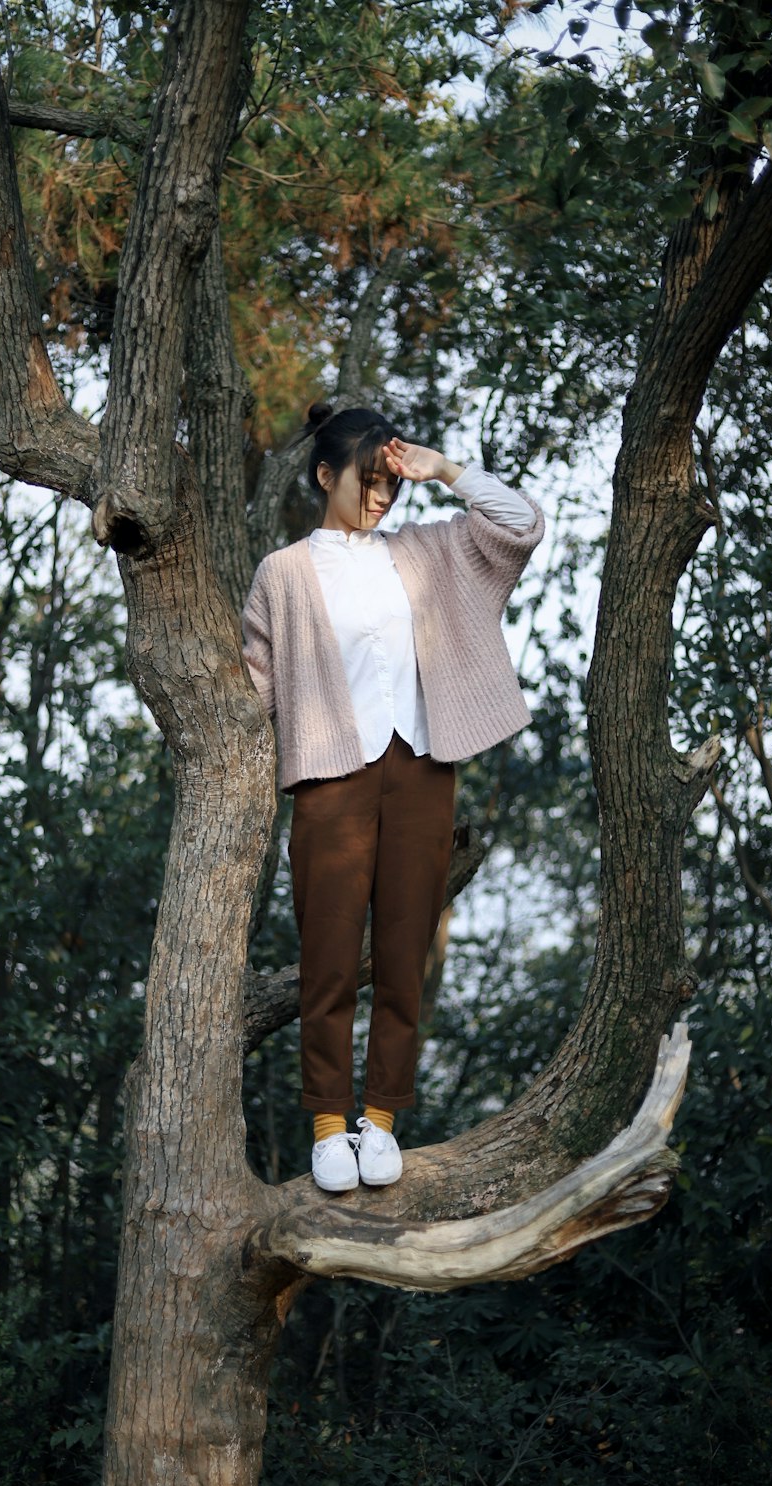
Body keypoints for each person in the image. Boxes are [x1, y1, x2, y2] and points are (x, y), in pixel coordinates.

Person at [241, 403, 545, 1193]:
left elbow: (523, 523)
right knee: (329, 958)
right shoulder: (284, 572)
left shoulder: (426, 550)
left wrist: (441, 470)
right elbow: (251, 691)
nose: (381, 498)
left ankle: (381, 1120)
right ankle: (327, 1125)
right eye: (367, 482)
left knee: (406, 953)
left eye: (390, 484)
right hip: (329, 776)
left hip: (421, 769)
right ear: (323, 476)